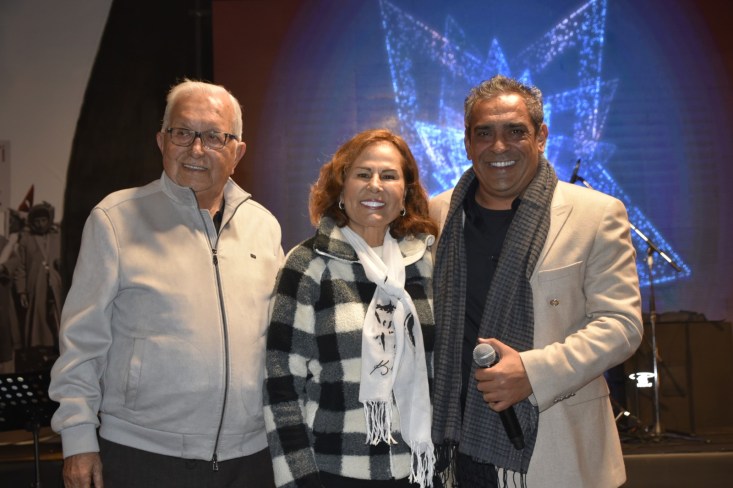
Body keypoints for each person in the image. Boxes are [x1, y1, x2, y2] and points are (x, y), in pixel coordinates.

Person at [49, 79, 284, 488]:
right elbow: (81, 342)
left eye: (214, 136)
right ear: (161, 141)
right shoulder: (115, 219)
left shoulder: (264, 226)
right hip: (144, 455)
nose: (196, 149)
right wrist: (78, 438)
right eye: (182, 132)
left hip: (250, 458)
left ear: (237, 152)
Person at [429, 75, 642, 488]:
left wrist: (533, 372)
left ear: (541, 137)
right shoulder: (438, 216)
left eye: (515, 131)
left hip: (556, 450)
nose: (499, 146)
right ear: (467, 143)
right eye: (484, 133)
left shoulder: (596, 214)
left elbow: (621, 325)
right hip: (454, 451)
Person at [264, 129, 439, 488]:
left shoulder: (423, 264)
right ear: (341, 189)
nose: (375, 185)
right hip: (335, 472)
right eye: (362, 174)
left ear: (405, 193)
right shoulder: (308, 265)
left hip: (419, 470)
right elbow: (282, 386)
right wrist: (300, 479)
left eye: (389, 176)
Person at [15, 202, 63, 351]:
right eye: (37, 221)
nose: (40, 224)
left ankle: (59, 346)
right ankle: (41, 348)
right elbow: (20, 267)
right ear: (32, 222)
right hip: (36, 284)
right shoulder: (26, 240)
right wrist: (22, 291)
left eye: (43, 220)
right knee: (39, 316)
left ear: (48, 221)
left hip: (56, 284)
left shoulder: (57, 237)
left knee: (58, 314)